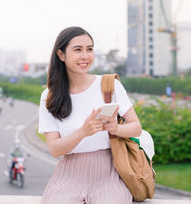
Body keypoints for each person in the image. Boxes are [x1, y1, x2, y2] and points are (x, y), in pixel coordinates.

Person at [38, 26, 142, 204]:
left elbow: (136, 128)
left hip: (109, 171)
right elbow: (54, 149)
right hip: (70, 173)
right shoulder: (50, 96)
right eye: (78, 50)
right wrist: (83, 131)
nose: (85, 56)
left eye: (90, 49)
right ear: (61, 55)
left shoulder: (109, 85)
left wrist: (116, 128)